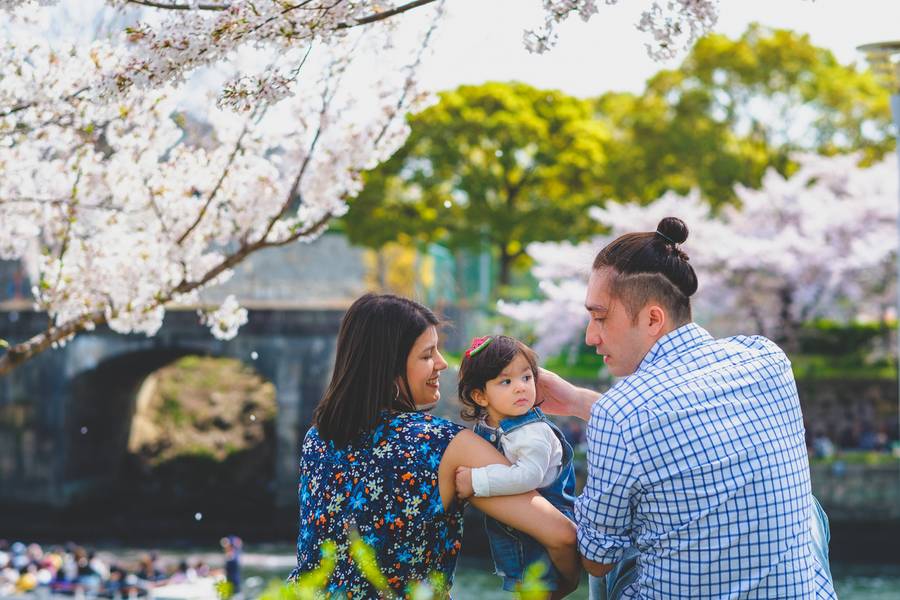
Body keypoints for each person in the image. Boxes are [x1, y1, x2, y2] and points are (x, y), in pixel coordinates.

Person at [538, 217, 836, 599]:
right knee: (807, 511)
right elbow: (693, 426)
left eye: (600, 317)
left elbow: (598, 560)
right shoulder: (768, 360)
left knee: (613, 534)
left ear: (652, 319)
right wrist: (581, 402)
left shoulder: (621, 413)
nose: (590, 336)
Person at [289, 293, 579, 598]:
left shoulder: (318, 437)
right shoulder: (444, 445)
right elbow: (561, 535)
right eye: (428, 355)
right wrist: (566, 585)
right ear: (389, 365)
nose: (441, 363)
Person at [453, 335, 577, 597]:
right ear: (480, 396)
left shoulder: (533, 432)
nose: (521, 387)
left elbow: (528, 476)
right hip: (521, 534)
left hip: (545, 536)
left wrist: (475, 481)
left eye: (526, 378)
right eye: (506, 381)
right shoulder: (491, 427)